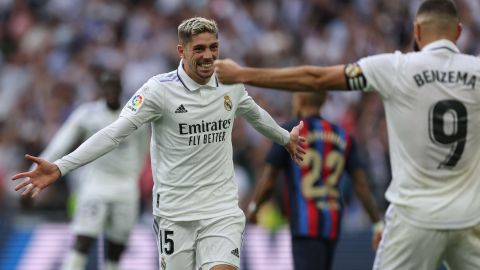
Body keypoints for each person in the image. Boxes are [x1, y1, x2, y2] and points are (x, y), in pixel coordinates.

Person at [12, 17, 305, 270]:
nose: (208, 56)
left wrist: (284, 138)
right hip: (174, 213)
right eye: (199, 49)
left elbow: (255, 114)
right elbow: (114, 133)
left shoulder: (230, 84)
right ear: (181, 50)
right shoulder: (158, 91)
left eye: (213, 47)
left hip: (221, 208)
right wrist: (60, 167)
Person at [214, 0, 480, 269]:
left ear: (417, 32)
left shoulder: (397, 67)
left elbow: (316, 79)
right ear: (458, 32)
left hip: (414, 217)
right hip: (470, 216)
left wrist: (242, 74)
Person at [247, 92, 383, 270]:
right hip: (332, 224)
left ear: (300, 99)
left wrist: (253, 209)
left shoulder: (289, 133)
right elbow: (361, 186)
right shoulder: (343, 135)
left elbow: (268, 182)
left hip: (305, 226)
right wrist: (376, 223)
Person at [35, 71, 149, 270]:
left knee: (116, 247)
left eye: (115, 85)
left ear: (121, 88)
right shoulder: (87, 114)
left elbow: (143, 151)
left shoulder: (135, 115)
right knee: (84, 239)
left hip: (126, 187)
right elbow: (60, 143)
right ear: (101, 89)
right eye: (107, 86)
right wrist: (35, 170)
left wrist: (132, 177)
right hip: (96, 184)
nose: (111, 90)